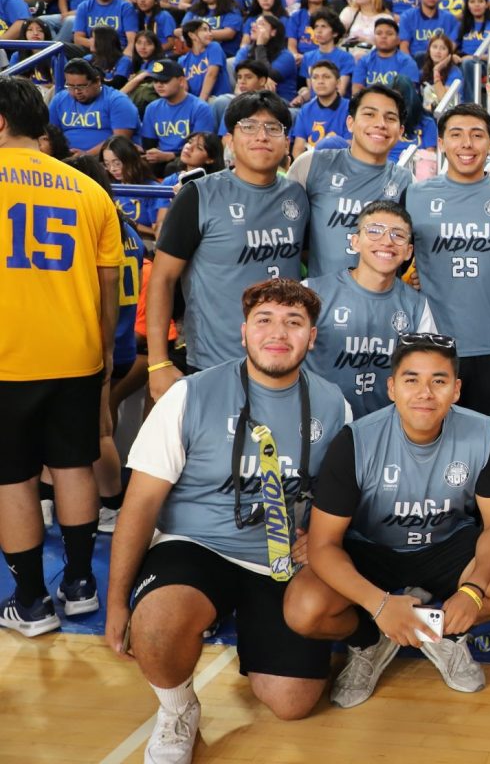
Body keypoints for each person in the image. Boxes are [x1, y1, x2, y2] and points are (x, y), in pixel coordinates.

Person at [106, 279, 351, 759]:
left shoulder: (332, 404)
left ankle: (252, 628)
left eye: (293, 323)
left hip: (279, 557)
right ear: (244, 333)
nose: (277, 333)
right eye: (264, 320)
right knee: (157, 625)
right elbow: (140, 506)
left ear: (312, 337)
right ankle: (177, 710)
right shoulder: (189, 394)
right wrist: (117, 601)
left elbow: (338, 496)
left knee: (292, 703)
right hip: (196, 545)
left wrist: (319, 535)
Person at [282, 331, 490, 704]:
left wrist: (473, 590)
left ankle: (442, 635)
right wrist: (380, 605)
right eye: (411, 380)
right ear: (392, 388)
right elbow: (322, 545)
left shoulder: (482, 432)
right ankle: (371, 640)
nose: (425, 393)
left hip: (447, 544)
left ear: (456, 389)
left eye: (439, 381)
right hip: (372, 548)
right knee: (304, 610)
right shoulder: (356, 440)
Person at [0, 76, 123, 638]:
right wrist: (103, 356)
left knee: (13, 479)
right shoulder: (89, 190)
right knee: (73, 467)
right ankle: (79, 583)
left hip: (8, 358)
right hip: (77, 354)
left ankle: (30, 601)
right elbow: (107, 289)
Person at [146, 92, 309, 399]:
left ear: (286, 142)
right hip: (213, 363)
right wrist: (158, 363)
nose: (262, 136)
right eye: (249, 126)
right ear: (229, 140)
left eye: (273, 128)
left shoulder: (297, 197)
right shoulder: (198, 195)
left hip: (282, 361)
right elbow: (162, 278)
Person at [405, 104, 490, 421]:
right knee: (430, 432)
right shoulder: (415, 195)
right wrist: (413, 275)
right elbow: (398, 259)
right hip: (432, 341)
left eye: (477, 135)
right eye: (456, 135)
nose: (467, 144)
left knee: (485, 436)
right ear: (442, 143)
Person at [301, 200, 437, 417]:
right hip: (320, 422)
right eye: (374, 231)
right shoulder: (311, 292)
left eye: (398, 235)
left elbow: (425, 373)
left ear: (408, 251)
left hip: (383, 425)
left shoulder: (417, 306)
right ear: (355, 241)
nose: (387, 241)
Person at [285, 84, 412, 279]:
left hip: (382, 296)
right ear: (350, 123)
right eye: (369, 114)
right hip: (320, 295)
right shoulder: (310, 165)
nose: (380, 124)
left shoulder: (407, 182)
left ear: (400, 131)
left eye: (390, 118)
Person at [48, 60, 139, 157]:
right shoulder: (59, 100)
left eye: (82, 86)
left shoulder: (117, 101)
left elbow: (120, 140)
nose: (76, 91)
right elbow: (50, 134)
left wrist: (85, 155)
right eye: (70, 86)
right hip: (64, 158)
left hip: (104, 159)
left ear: (97, 82)